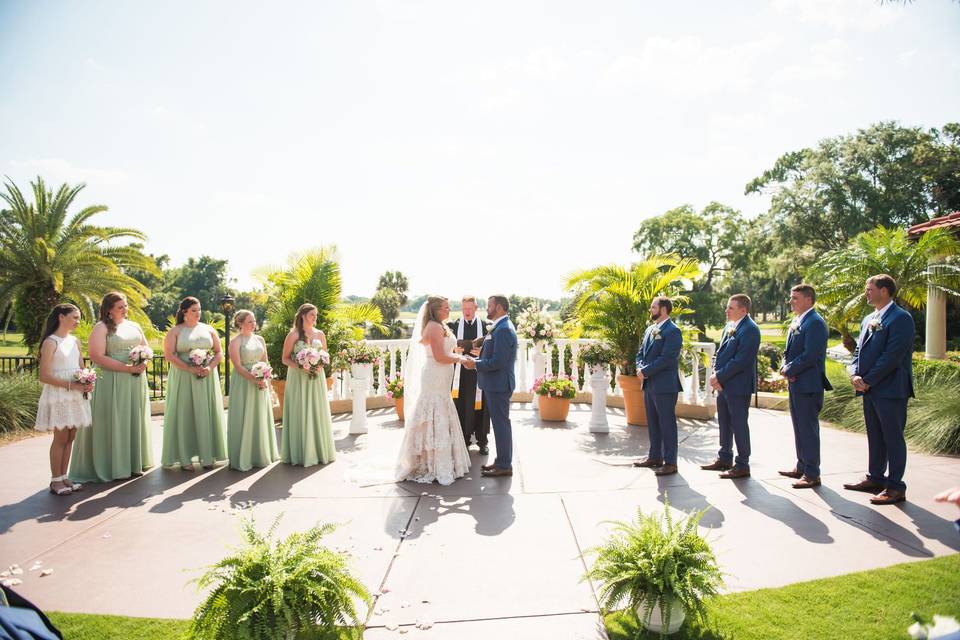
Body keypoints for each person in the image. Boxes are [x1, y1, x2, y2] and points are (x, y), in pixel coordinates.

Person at [843, 274, 914, 505]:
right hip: (869, 388)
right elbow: (857, 352)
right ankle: (875, 478)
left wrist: (868, 379)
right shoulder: (868, 319)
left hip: (891, 389)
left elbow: (892, 357)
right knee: (875, 435)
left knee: (892, 437)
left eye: (869, 288)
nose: (866, 292)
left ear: (884, 291)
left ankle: (895, 487)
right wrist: (854, 374)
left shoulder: (901, 318)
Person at [70, 292, 154, 483]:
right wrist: (127, 368)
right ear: (109, 310)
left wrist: (143, 362)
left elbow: (146, 349)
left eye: (125, 306)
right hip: (111, 381)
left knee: (132, 418)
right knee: (112, 419)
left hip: (135, 380)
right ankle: (112, 465)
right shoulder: (101, 328)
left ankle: (133, 463)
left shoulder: (134, 326)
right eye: (120, 307)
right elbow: (97, 357)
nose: (125, 310)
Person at [395, 296, 472, 485]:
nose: (449, 310)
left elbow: (446, 350)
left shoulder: (440, 326)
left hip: (442, 376)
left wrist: (463, 352)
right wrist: (462, 360)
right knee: (434, 409)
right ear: (436, 310)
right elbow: (439, 357)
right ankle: (429, 464)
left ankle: (438, 461)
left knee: (442, 409)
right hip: (435, 374)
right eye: (446, 307)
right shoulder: (434, 327)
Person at [161, 296, 227, 470]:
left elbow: (219, 352)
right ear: (184, 312)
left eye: (199, 310)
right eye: (194, 310)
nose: (198, 313)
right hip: (183, 376)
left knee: (206, 412)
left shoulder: (208, 329)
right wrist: (189, 369)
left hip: (206, 376)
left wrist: (210, 368)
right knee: (185, 413)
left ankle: (207, 456)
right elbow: (169, 355)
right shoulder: (175, 331)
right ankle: (185, 458)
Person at [35, 303, 93, 495]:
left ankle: (64, 477)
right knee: (60, 437)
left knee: (70, 437)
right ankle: (55, 481)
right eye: (74, 317)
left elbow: (81, 368)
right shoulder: (50, 342)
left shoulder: (75, 341)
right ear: (61, 317)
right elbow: (44, 376)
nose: (78, 321)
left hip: (76, 395)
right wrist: (72, 385)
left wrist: (86, 381)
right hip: (60, 394)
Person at [778, 284, 832, 489]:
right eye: (791, 298)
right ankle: (801, 465)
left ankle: (812, 473)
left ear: (808, 300)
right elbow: (788, 350)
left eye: (795, 298)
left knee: (808, 428)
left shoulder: (816, 323)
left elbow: (811, 355)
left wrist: (790, 370)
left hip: (809, 384)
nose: (791, 302)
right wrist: (785, 367)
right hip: (796, 383)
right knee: (798, 427)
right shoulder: (798, 320)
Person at [702, 294, 760, 479]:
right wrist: (715, 375)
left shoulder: (750, 329)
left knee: (739, 424)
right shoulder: (730, 326)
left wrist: (719, 375)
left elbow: (742, 360)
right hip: (723, 385)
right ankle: (724, 457)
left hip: (738, 386)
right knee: (724, 422)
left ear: (743, 310)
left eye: (730, 308)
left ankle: (742, 464)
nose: (726, 311)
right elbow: (720, 353)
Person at [463, 295, 518, 478]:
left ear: (500, 307)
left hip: (499, 385)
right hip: (495, 384)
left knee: (501, 425)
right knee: (500, 424)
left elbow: (498, 362)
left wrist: (476, 364)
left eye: (490, 305)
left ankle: (505, 465)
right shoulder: (500, 326)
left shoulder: (503, 330)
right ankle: (502, 461)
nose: (487, 308)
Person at [632, 296, 683, 476]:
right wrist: (639, 367)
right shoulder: (650, 329)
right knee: (653, 422)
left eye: (653, 307)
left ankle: (670, 462)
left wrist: (646, 371)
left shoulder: (673, 331)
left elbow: (668, 358)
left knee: (667, 423)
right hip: (649, 384)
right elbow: (640, 353)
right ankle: (655, 457)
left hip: (665, 385)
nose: (650, 310)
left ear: (663, 310)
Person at [280, 303, 336, 467]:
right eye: (312, 315)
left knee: (317, 410)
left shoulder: (320, 334)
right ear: (303, 315)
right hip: (299, 378)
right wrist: (301, 367)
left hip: (317, 377)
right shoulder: (293, 335)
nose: (315, 318)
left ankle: (319, 450)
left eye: (316, 315)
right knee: (301, 410)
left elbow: (325, 356)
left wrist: (319, 365)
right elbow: (285, 358)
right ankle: (300, 453)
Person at [227, 310, 280, 471]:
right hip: (243, 382)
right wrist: (254, 379)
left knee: (260, 415)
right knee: (244, 415)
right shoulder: (235, 342)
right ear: (241, 323)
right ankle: (244, 456)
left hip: (261, 382)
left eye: (254, 321)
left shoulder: (260, 339)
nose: (253, 324)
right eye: (250, 321)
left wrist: (264, 379)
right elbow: (237, 365)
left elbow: (265, 361)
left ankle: (261, 454)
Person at [447, 295, 490, 455]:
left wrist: (482, 351)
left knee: (481, 406)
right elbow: (445, 348)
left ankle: (482, 441)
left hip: (479, 372)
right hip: (461, 374)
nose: (467, 311)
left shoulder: (486, 326)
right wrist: (454, 350)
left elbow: (491, 349)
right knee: (462, 405)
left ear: (476, 308)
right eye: (464, 308)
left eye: (470, 308)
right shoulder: (453, 326)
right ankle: (463, 439)